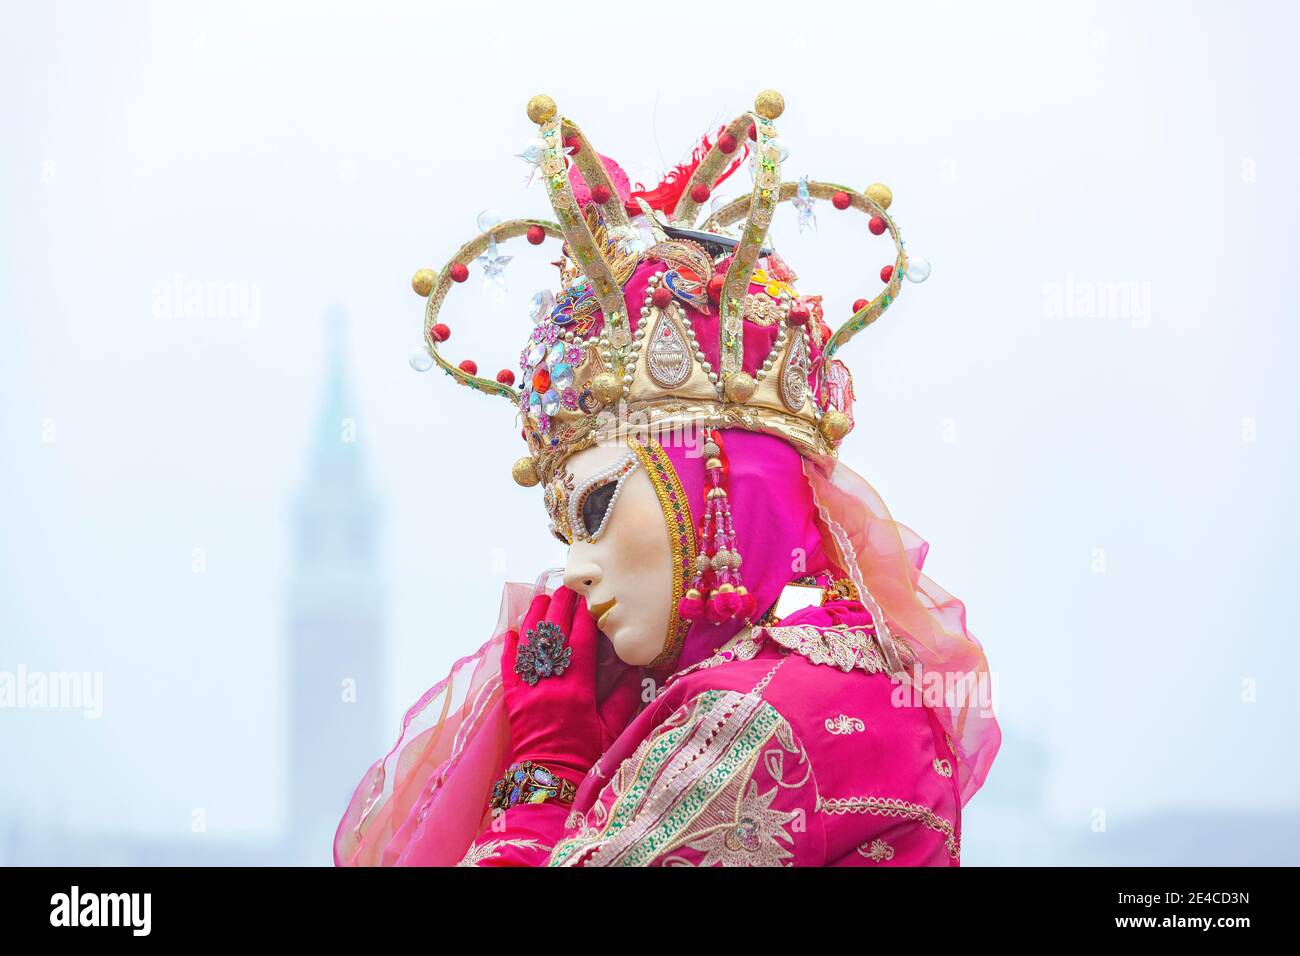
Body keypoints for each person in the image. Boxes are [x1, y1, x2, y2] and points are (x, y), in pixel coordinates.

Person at [334, 90, 999, 867]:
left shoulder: (759, 715)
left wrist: (544, 777)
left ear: (723, 486)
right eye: (564, 532)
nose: (575, 572)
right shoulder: (846, 679)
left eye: (602, 506)